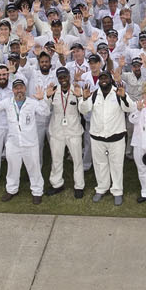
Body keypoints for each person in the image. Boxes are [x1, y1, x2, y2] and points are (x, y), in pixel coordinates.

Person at [80, 69, 130, 205]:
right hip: (97, 137)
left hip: (117, 137)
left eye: (106, 78)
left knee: (117, 165)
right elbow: (84, 110)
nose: (103, 80)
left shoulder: (118, 92)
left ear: (110, 79)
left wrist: (124, 97)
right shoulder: (94, 94)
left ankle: (117, 190)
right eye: (101, 78)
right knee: (100, 164)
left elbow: (129, 108)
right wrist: (84, 98)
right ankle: (101, 188)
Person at [1, 78, 51, 202]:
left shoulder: (32, 102)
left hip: (30, 143)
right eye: (16, 88)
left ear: (25, 89)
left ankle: (37, 191)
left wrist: (41, 99)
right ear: (13, 90)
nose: (19, 90)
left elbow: (45, 112)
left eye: (21, 87)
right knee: (12, 168)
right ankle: (11, 189)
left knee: (34, 168)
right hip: (14, 143)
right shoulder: (8, 102)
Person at [45, 68, 87, 197]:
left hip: (74, 131)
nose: (63, 79)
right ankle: (57, 184)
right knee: (56, 160)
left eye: (65, 76)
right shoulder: (53, 91)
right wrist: (46, 97)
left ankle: (79, 186)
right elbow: (45, 110)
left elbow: (84, 110)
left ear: (69, 76)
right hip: (57, 131)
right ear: (57, 78)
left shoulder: (76, 90)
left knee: (77, 160)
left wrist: (80, 97)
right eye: (60, 77)